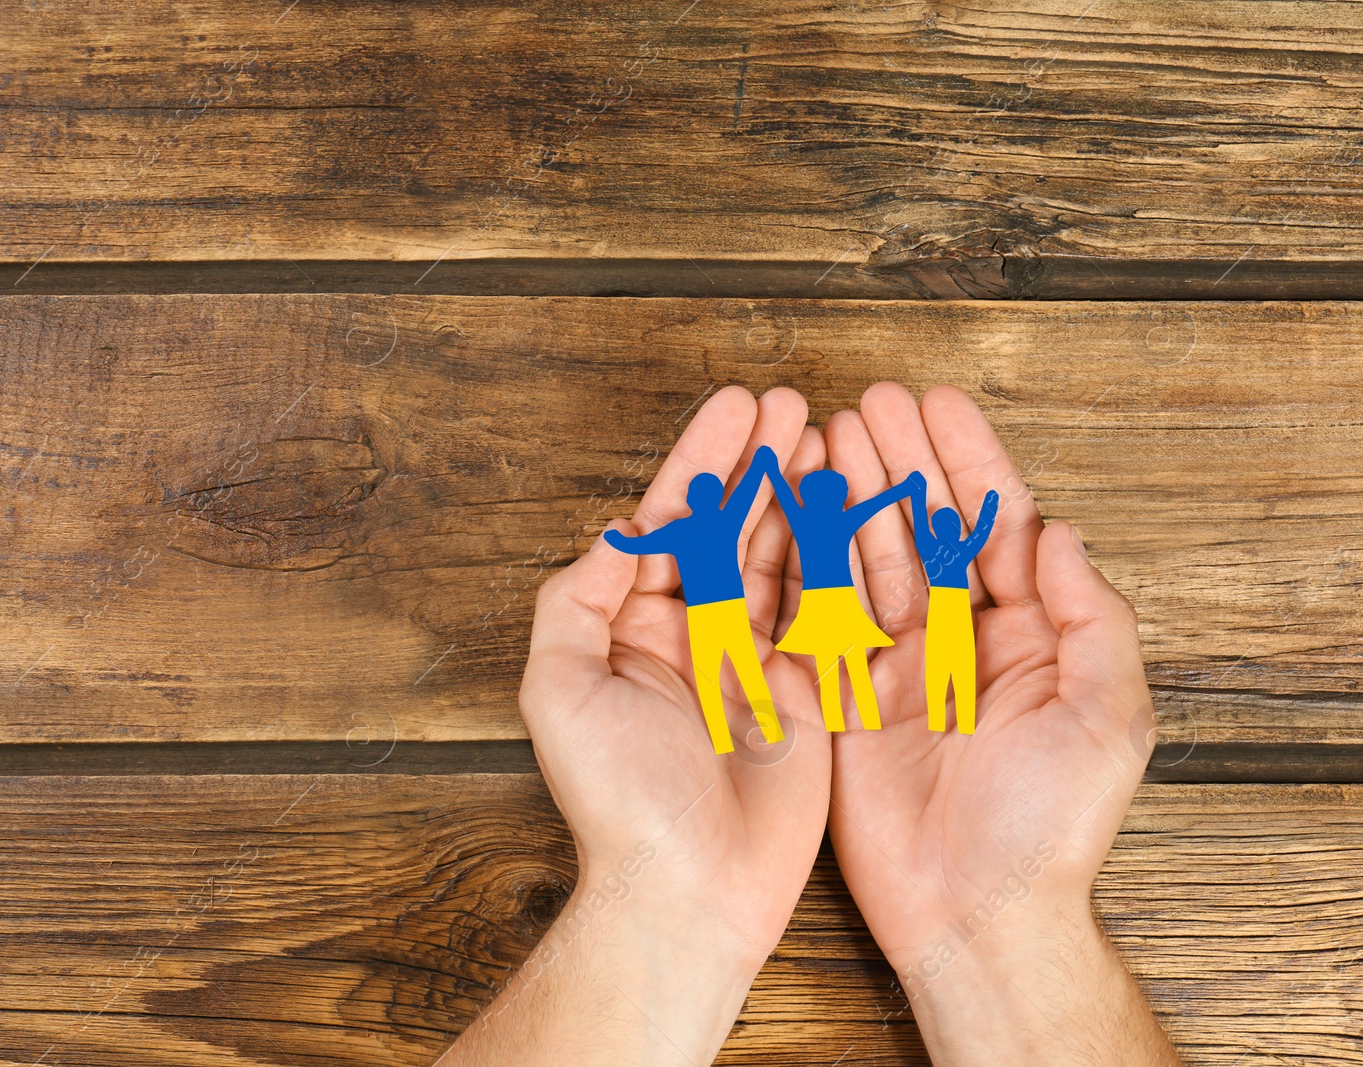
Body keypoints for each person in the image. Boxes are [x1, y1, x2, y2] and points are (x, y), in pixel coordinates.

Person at [435, 383, 1180, 1067]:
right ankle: (765, 719)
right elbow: (782, 506)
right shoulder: (719, 525)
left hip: (815, 614)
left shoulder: (727, 524)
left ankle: (774, 718)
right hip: (751, 617)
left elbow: (793, 506)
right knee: (806, 678)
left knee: (840, 675)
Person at [603, 449, 784, 754]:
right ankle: (771, 729)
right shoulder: (727, 520)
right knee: (748, 669)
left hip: (702, 613)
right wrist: (760, 464)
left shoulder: (679, 529)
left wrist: (615, 540)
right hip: (731, 609)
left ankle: (721, 742)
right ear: (716, 498)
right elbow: (746, 492)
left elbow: (637, 544)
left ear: (690, 500)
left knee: (707, 676)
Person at [758, 449, 921, 730]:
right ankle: (869, 720)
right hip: (841, 600)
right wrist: (907, 488)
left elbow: (784, 495)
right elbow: (878, 502)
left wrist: (771, 468)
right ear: (840, 497)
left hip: (818, 602)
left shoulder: (802, 519)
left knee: (827, 665)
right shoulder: (843, 518)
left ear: (807, 498)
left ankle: (838, 721)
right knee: (855, 662)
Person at [910, 473, 1000, 733]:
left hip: (940, 614)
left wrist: (919, 492)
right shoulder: (961, 550)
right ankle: (965, 724)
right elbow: (981, 532)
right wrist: (990, 506)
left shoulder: (928, 548)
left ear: (936, 529)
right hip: (956, 615)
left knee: (938, 669)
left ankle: (939, 723)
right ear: (956, 529)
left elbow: (918, 522)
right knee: (961, 668)